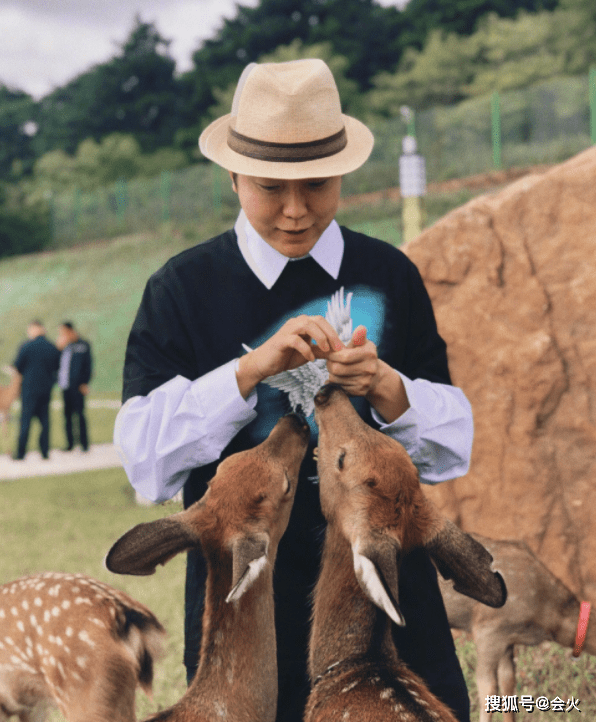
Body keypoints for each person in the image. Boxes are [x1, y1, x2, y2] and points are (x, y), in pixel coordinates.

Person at [115, 59, 474, 722]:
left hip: (393, 613)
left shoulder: (389, 273)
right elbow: (145, 462)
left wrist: (391, 390)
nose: (293, 209)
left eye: (316, 183)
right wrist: (245, 375)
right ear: (233, 176)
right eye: (270, 186)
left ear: (342, 172)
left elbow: (453, 447)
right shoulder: (182, 289)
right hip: (243, 620)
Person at [13, 320, 61, 460]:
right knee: (45, 422)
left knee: (25, 422)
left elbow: (18, 367)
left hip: (29, 390)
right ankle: (45, 452)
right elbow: (57, 368)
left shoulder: (27, 346)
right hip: (46, 390)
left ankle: (21, 453)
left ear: (34, 329)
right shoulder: (52, 347)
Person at [56, 321, 92, 452]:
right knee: (67, 415)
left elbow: (88, 366)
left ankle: (84, 444)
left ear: (70, 331)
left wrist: (84, 383)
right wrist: (58, 349)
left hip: (77, 386)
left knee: (80, 414)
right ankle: (70, 443)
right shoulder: (63, 347)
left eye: (63, 332)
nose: (62, 335)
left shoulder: (83, 345)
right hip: (65, 386)